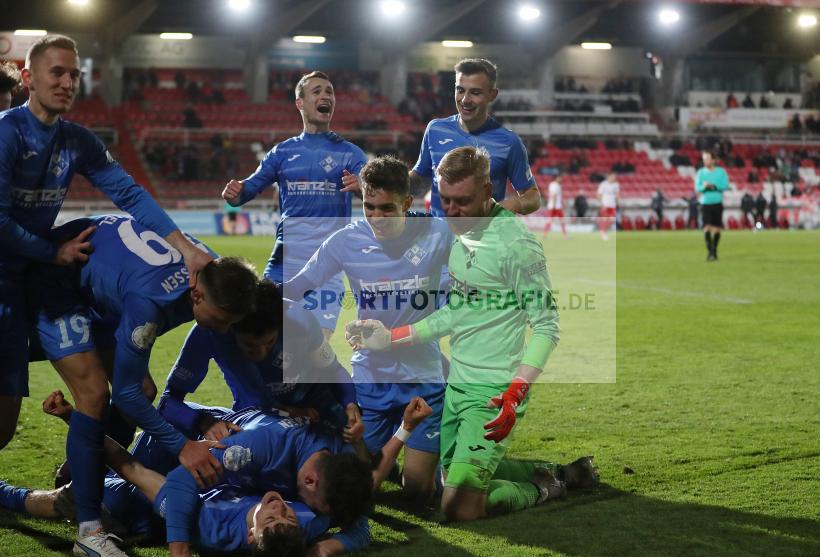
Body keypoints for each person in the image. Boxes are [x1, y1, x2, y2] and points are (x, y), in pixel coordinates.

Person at [346, 147, 597, 522]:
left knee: (458, 506)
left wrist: (516, 392)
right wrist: (390, 337)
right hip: (456, 386)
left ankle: (548, 487)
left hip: (494, 392)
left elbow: (546, 326)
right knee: (445, 482)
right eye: (445, 200)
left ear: (487, 190)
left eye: (462, 201)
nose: (452, 211)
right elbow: (457, 312)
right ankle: (554, 469)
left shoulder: (516, 245)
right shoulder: (461, 234)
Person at [0, 35, 211, 480]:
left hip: (30, 280)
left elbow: (129, 193)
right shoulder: (6, 132)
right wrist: (50, 250)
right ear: (28, 78)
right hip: (11, 280)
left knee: (134, 388)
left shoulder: (77, 140)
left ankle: (82, 476)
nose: (67, 82)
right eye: (56, 72)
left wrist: (186, 247)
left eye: (74, 74)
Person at [29, 215, 257, 557]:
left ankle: (86, 477)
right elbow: (124, 395)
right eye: (223, 318)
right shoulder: (150, 305)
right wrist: (183, 447)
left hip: (105, 287)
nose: (226, 329)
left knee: (144, 388)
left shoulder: (210, 270)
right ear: (197, 295)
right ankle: (89, 531)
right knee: (96, 394)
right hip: (60, 281)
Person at [0, 391, 371, 557]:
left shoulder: (207, 523)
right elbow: (355, 529)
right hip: (190, 444)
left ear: (251, 537)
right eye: (287, 515)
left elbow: (136, 472)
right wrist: (327, 548)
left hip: (135, 504)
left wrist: (326, 548)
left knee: (68, 499)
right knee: (158, 452)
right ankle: (81, 461)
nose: (279, 507)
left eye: (274, 518)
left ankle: (9, 495)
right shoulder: (299, 514)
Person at [286, 156, 452, 501]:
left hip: (423, 375)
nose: (376, 218)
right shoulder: (344, 241)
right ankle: (393, 451)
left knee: (418, 491)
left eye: (386, 209)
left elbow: (461, 299)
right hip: (371, 376)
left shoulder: (438, 234)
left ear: (407, 203)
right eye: (369, 207)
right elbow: (299, 286)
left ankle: (442, 463)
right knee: (354, 476)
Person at [158, 394, 432, 557]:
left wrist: (326, 545)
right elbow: (182, 477)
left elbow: (360, 527)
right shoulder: (259, 449)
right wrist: (180, 552)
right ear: (310, 481)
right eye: (324, 511)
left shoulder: (339, 473)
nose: (324, 518)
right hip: (204, 433)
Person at [221, 71, 367, 338]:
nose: (326, 96)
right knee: (263, 334)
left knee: (315, 345)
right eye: (317, 91)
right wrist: (235, 194)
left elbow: (376, 193)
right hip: (284, 262)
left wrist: (363, 188)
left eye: (330, 91)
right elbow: (247, 190)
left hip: (328, 265)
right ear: (300, 103)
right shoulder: (281, 153)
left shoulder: (350, 153)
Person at [159, 280, 362, 442]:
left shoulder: (299, 319)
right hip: (257, 419)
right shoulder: (210, 332)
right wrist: (203, 422)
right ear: (230, 327)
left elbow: (333, 369)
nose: (261, 353)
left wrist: (350, 403)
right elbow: (168, 402)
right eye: (250, 346)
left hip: (313, 406)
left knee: (353, 447)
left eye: (270, 342)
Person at [410, 59, 540, 217]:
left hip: (483, 238)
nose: (465, 100)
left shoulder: (509, 143)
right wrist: (390, 182)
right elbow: (419, 179)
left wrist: (510, 205)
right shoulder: (435, 129)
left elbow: (533, 197)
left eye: (475, 92)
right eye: (460, 90)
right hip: (440, 238)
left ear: (492, 95)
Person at [694, 151, 729, 261]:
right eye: (704, 159)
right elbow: (697, 187)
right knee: (706, 227)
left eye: (707, 159)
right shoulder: (700, 172)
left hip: (717, 203)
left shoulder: (721, 172)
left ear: (713, 160)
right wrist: (704, 187)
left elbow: (725, 185)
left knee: (717, 229)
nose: (705, 161)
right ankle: (710, 252)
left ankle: (714, 249)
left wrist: (714, 186)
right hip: (705, 203)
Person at [543, 174, 567, 238]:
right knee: (553, 220)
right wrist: (553, 205)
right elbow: (554, 195)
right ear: (557, 178)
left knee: (553, 220)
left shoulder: (555, 185)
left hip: (556, 206)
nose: (561, 179)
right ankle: (565, 236)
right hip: (555, 206)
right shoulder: (554, 185)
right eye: (560, 178)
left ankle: (545, 235)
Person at [597, 172, 619, 240]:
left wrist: (618, 202)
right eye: (613, 176)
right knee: (605, 219)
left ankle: (603, 231)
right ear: (609, 176)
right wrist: (602, 204)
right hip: (605, 205)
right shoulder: (603, 184)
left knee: (612, 219)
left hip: (612, 205)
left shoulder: (616, 184)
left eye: (615, 177)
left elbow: (617, 194)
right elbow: (598, 195)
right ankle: (603, 233)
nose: (614, 178)